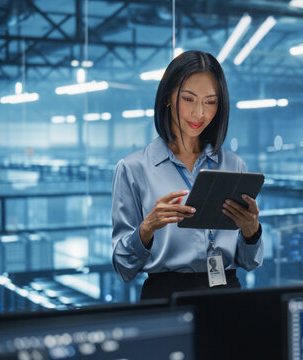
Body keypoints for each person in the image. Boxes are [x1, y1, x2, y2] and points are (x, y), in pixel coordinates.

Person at [111, 50, 263, 300]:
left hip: (227, 295)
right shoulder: (133, 168)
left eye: (210, 102)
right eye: (189, 99)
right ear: (168, 98)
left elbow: (251, 261)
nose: (199, 113)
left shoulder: (234, 165)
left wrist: (251, 231)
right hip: (165, 296)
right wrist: (147, 229)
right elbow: (123, 268)